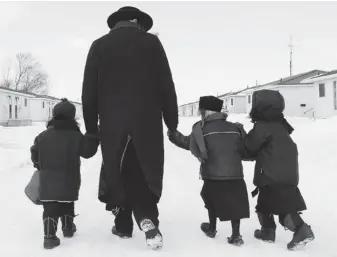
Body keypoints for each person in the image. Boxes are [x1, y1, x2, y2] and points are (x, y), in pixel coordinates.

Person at [81, 6, 178, 250]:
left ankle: (123, 224)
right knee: (144, 171)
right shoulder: (152, 44)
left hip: (113, 126)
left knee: (119, 170)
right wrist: (172, 123)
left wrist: (92, 129)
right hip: (147, 124)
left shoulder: (99, 46)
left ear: (115, 24)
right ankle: (147, 219)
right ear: (137, 22)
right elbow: (166, 84)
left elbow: (88, 93)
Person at [168, 96, 251, 246]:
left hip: (212, 174)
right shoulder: (235, 128)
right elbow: (246, 150)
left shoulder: (201, 129)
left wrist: (172, 134)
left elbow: (186, 143)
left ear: (205, 112)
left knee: (210, 198)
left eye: (201, 111)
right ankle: (236, 235)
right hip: (235, 174)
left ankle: (212, 228)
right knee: (235, 203)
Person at [244, 89, 315, 250]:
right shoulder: (280, 124)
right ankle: (267, 232)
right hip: (286, 171)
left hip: (272, 174)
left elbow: (249, 148)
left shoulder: (263, 126)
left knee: (283, 208)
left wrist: (241, 134)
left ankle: (301, 230)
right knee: (264, 204)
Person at [30, 98, 99, 249]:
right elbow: (87, 152)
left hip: (48, 179)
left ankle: (49, 237)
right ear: (72, 117)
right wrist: (94, 137)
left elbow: (34, 151)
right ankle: (68, 228)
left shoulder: (42, 136)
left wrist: (39, 165)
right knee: (67, 201)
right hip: (70, 178)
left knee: (50, 207)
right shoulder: (75, 136)